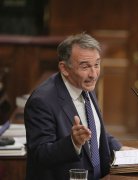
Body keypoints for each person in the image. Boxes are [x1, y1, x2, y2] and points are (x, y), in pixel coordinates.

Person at [24, 33, 126, 180]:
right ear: (64, 68)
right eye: (85, 66)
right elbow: (40, 154)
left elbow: (94, 131)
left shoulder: (85, 85)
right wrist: (73, 143)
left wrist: (120, 148)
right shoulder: (42, 101)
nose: (94, 74)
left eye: (96, 65)